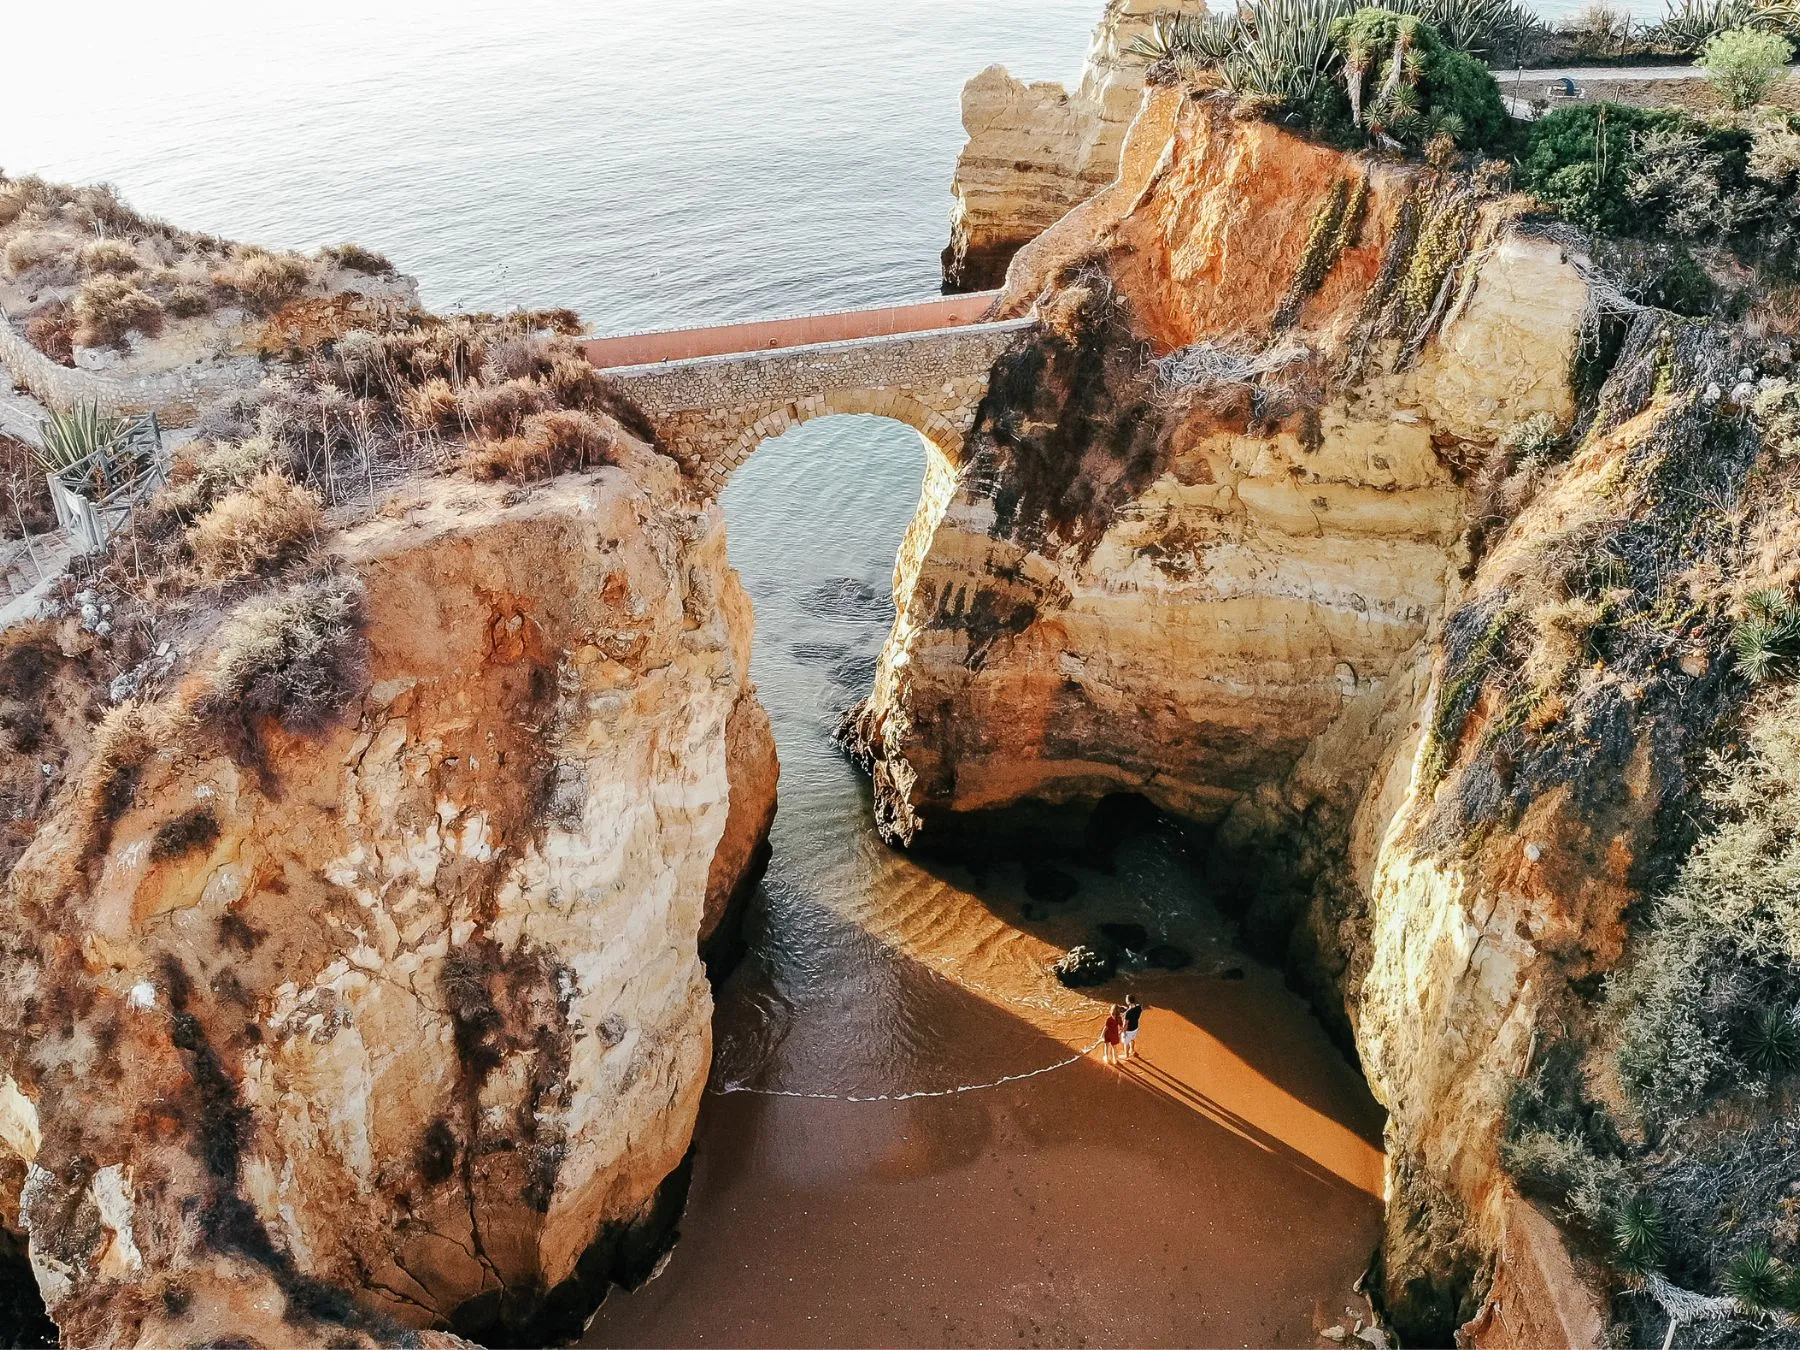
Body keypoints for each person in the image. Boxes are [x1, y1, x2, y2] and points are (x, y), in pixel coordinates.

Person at [1121, 993, 1143, 1060]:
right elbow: (1136, 1010)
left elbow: (1125, 1024)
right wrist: (1128, 1010)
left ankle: (1126, 1056)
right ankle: (1132, 1050)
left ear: (1128, 1001)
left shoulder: (1128, 1013)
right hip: (1135, 1027)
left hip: (1129, 1030)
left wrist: (1124, 1032)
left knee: (1126, 1042)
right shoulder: (1139, 1007)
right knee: (1132, 1039)